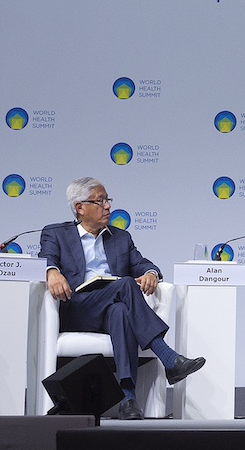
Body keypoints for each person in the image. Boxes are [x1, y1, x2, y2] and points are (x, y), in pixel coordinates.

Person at [39, 177, 205, 420]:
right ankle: (168, 357)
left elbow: (143, 264)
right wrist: (51, 271)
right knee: (126, 284)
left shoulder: (121, 237)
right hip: (77, 308)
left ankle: (128, 400)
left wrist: (151, 273)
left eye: (108, 200)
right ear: (79, 207)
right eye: (100, 201)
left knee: (121, 312)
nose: (107, 206)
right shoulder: (57, 233)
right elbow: (46, 257)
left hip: (110, 310)